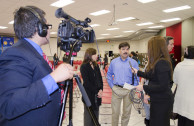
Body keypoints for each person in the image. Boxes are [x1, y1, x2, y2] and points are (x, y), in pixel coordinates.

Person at [0, 6, 74, 126]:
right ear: (40, 28)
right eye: (48, 26)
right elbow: (9, 104)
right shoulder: (15, 54)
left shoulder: (35, 54)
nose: (49, 31)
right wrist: (53, 78)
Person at [133, 36, 173, 126]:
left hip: (162, 102)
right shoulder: (158, 61)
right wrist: (138, 72)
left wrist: (143, 87)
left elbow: (163, 86)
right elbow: (152, 75)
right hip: (158, 99)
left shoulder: (162, 62)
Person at [107, 42, 139, 126]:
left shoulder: (133, 62)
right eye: (123, 49)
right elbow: (109, 75)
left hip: (129, 90)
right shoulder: (114, 62)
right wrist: (112, 87)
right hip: (116, 89)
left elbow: (137, 77)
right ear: (119, 50)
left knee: (126, 113)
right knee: (115, 113)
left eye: (127, 49)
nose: (125, 51)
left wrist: (134, 88)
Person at [80, 48, 103, 126]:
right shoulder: (84, 66)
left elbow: (100, 78)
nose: (96, 56)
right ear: (90, 55)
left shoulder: (96, 65)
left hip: (97, 95)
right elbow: (87, 83)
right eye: (95, 54)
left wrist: (101, 90)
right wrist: (97, 91)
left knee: (96, 115)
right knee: (88, 117)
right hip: (88, 95)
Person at [173, 46, 194, 126]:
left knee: (181, 122)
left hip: (181, 102)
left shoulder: (179, 66)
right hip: (191, 105)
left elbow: (175, 81)